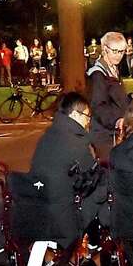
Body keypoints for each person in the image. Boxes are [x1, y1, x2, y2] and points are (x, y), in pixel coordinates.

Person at [29, 92, 104, 231]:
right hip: (64, 208)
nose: (88, 121)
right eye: (87, 116)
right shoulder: (77, 142)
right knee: (102, 190)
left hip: (39, 198)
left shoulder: (48, 135)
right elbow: (92, 177)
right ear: (75, 115)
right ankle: (95, 241)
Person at [87, 32, 133, 161]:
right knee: (109, 170)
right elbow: (98, 106)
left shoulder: (113, 69)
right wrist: (116, 121)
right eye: (115, 51)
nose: (119, 55)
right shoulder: (98, 74)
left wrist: (131, 96)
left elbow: (115, 100)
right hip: (104, 133)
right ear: (105, 49)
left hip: (116, 131)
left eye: (121, 51)